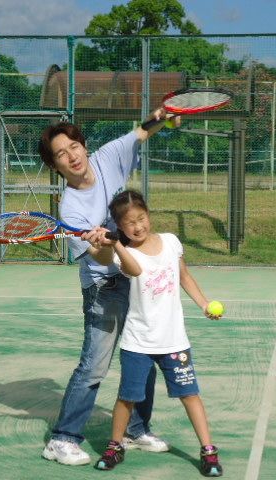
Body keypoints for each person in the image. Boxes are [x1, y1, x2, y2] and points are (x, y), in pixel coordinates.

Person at [37, 111, 180, 466]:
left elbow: (140, 133)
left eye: (74, 146)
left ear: (84, 147)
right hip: (104, 287)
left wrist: (161, 118)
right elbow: (99, 260)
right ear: (55, 166)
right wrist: (103, 243)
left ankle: (135, 429)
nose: (72, 156)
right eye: (61, 154)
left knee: (144, 358)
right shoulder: (70, 208)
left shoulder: (107, 157)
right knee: (94, 367)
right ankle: (62, 439)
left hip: (135, 280)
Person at [91, 189, 223, 477]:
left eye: (141, 218)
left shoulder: (171, 242)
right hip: (137, 342)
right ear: (120, 226)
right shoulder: (124, 253)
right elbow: (135, 270)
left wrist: (203, 304)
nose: (137, 226)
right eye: (129, 223)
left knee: (190, 395)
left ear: (148, 215)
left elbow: (184, 276)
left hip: (174, 341)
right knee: (127, 397)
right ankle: (115, 446)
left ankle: (208, 451)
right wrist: (115, 244)